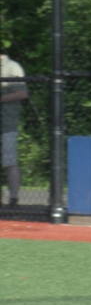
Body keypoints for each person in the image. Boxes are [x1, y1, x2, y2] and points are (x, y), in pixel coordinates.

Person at [1, 53, 28, 207]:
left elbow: (23, 93)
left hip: (8, 123)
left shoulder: (13, 67)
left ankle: (14, 198)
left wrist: (2, 98)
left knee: (9, 160)